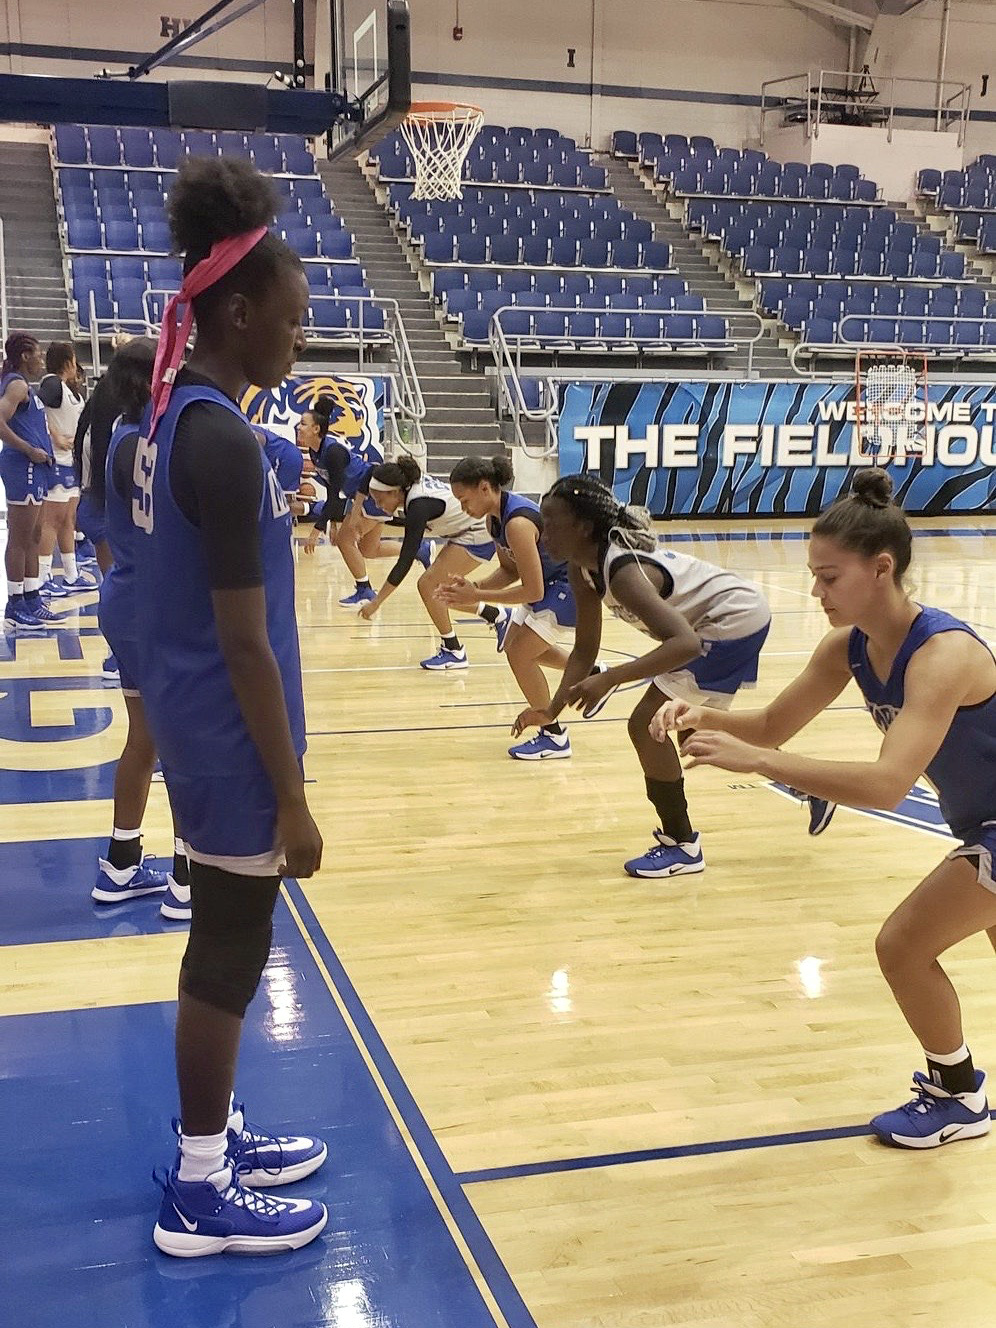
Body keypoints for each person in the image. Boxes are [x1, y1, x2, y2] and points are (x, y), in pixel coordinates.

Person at [653, 467, 996, 1149]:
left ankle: (958, 1096)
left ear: (882, 568)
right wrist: (702, 715)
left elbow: (886, 785)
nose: (816, 592)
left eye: (830, 577)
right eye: (814, 576)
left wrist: (762, 763)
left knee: (902, 945)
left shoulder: (944, 655)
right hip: (980, 822)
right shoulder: (849, 648)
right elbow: (773, 725)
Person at [133, 156, 327, 1256]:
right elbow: (245, 640)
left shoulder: (181, 415)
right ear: (240, 313)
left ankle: (212, 1134)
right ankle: (200, 1184)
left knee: (227, 938)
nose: (300, 338)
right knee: (228, 949)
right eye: (292, 321)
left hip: (199, 721)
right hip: (231, 735)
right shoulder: (220, 438)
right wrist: (291, 798)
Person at [511, 473, 770, 876]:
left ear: (584, 527)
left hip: (730, 618)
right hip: (721, 617)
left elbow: (684, 643)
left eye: (552, 524)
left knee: (646, 725)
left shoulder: (622, 572)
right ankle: (804, 780)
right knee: (690, 733)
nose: (543, 534)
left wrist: (610, 678)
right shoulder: (583, 568)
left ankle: (682, 844)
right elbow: (584, 649)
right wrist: (551, 711)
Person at [93, 336, 189, 921]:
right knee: (183, 740)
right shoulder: (140, 444)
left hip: (129, 599)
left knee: (146, 737)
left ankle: (122, 864)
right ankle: (189, 877)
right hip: (150, 606)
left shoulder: (125, 432)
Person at [441, 454, 607, 760]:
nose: (463, 509)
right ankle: (593, 673)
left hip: (570, 586)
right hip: (549, 584)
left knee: (520, 653)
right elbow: (510, 571)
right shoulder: (494, 520)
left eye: (464, 501)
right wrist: (471, 587)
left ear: (485, 488)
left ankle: (554, 736)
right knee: (514, 647)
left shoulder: (517, 523)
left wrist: (477, 596)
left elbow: (533, 590)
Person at [356, 456, 495, 670]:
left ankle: (454, 651)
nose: (377, 505)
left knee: (428, 586)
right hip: (466, 531)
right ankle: (495, 615)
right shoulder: (410, 491)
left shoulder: (418, 504)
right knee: (440, 591)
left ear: (394, 492)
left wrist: (377, 602)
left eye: (380, 500)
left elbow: (405, 561)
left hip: (478, 532)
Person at [297, 398, 396, 605]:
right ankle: (420, 550)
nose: (299, 427)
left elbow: (334, 495)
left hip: (374, 493)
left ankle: (365, 590)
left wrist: (317, 530)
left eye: (303, 424)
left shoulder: (334, 452)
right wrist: (333, 523)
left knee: (345, 541)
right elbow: (332, 490)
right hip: (361, 495)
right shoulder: (315, 453)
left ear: (316, 429)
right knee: (369, 549)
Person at [0, 332, 60, 631]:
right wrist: (27, 449)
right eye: (38, 354)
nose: (42, 360)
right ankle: (14, 605)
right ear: (25, 356)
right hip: (21, 465)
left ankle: (32, 597)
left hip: (36, 468)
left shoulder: (25, 386)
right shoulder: (17, 384)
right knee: (20, 537)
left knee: (34, 535)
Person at [37, 341, 92, 597]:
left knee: (69, 519)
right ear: (67, 360)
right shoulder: (51, 384)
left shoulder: (69, 388)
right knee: (52, 521)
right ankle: (42, 577)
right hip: (56, 461)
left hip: (70, 460)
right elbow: (35, 409)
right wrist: (53, 434)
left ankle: (71, 574)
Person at [252, 424, 304, 512]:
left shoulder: (249, 432)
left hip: (286, 457)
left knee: (281, 505)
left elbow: (257, 440)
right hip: (280, 457)